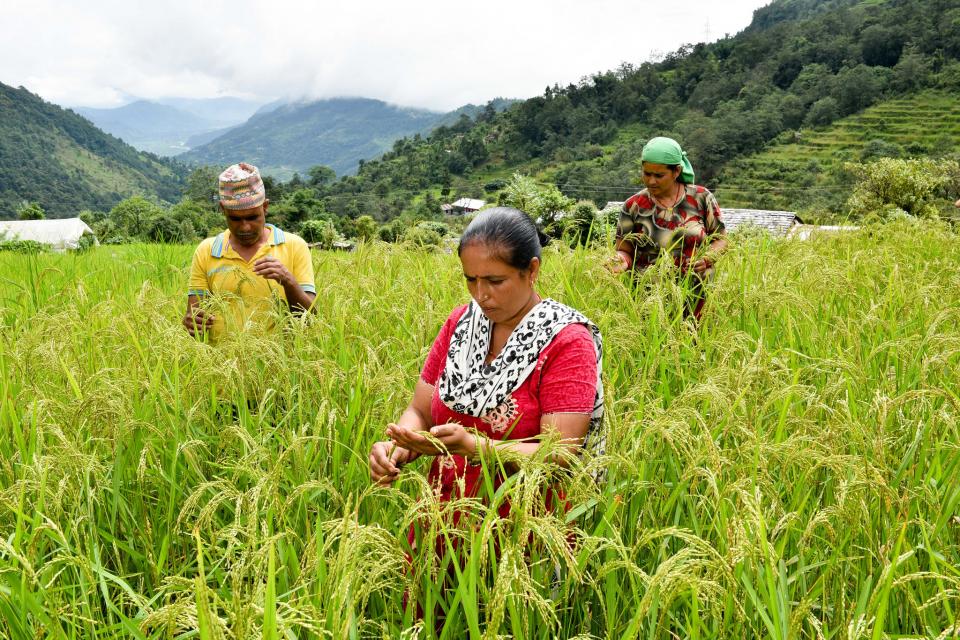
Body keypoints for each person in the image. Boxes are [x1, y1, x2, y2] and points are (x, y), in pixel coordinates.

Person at [368, 206, 604, 524]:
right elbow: (420, 411)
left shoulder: (566, 340)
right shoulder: (461, 324)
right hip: (443, 517)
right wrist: (400, 446)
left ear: (531, 270)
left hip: (524, 528)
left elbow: (559, 453)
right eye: (471, 280)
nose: (481, 295)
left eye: (495, 280)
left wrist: (477, 447)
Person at [183, 162, 316, 340]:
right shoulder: (207, 250)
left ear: (265, 207)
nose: (245, 227)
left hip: (279, 363)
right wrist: (192, 323)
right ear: (223, 209)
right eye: (235, 219)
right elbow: (195, 315)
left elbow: (310, 318)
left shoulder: (294, 246)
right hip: (221, 364)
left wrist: (288, 281)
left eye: (253, 217)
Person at [610, 136, 728, 320]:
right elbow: (624, 250)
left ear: (676, 171)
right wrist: (619, 261)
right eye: (646, 173)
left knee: (697, 345)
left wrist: (707, 259)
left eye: (659, 175)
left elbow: (721, 239)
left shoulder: (701, 198)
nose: (651, 181)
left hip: (697, 296)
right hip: (650, 301)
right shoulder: (633, 206)